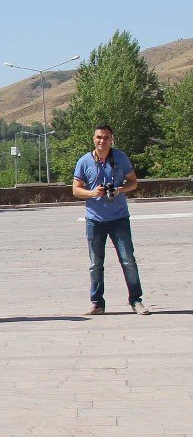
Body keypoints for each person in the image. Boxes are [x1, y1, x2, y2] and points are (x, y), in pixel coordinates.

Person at [72, 124, 149, 316]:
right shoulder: (84, 161)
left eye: (106, 137)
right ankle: (97, 303)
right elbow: (75, 190)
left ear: (111, 139)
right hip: (95, 220)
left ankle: (136, 300)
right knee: (95, 264)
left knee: (128, 260)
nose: (102, 141)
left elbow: (133, 182)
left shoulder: (120, 157)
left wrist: (119, 189)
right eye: (99, 137)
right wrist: (92, 192)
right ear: (93, 138)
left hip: (119, 218)